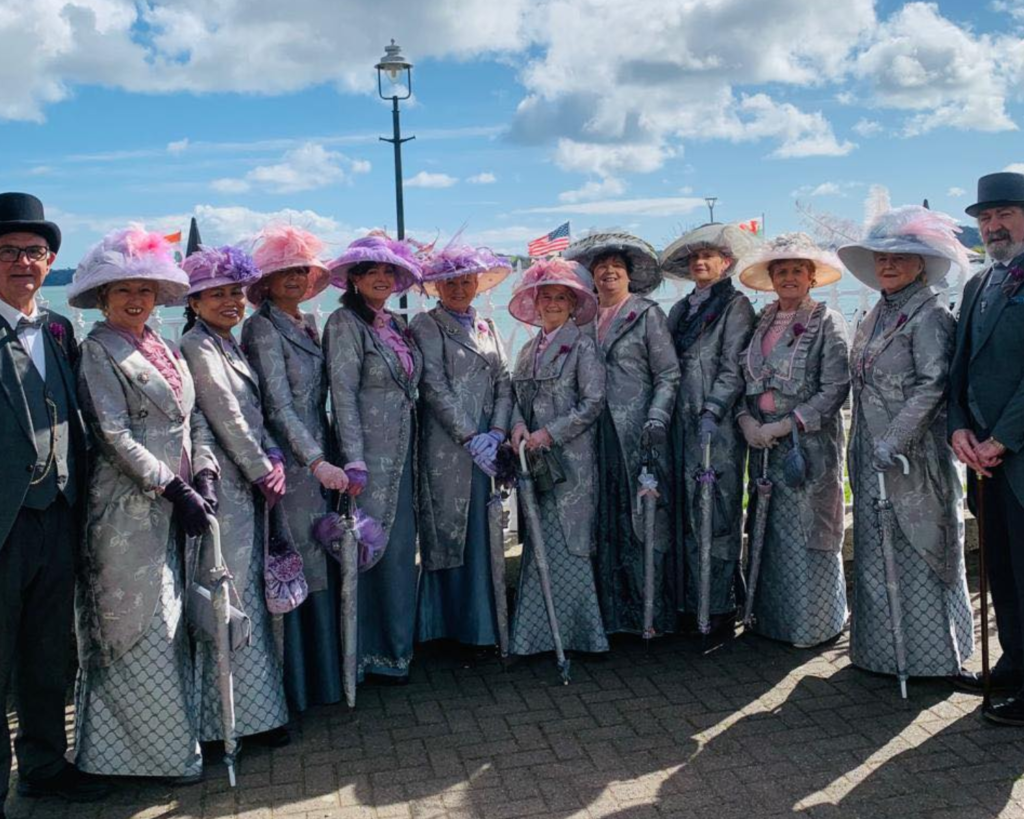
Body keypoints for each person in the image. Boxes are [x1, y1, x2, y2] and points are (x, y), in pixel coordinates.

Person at [71, 227, 216, 782]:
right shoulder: (97, 350)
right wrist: (170, 485)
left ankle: (175, 745)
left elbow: (193, 417)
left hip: (174, 510)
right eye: (123, 290)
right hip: (125, 513)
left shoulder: (169, 348)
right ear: (103, 298)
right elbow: (111, 433)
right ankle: (125, 756)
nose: (136, 300)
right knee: (138, 624)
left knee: (174, 620)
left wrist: (204, 470)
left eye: (146, 290)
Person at [0, 193, 107, 815]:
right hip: (2, 526)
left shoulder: (63, 329)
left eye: (34, 251)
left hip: (59, 515)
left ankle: (43, 766)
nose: (22, 262)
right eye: (8, 251)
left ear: (51, 260)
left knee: (49, 655)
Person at [838, 204, 974, 685]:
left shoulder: (931, 314)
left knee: (923, 546)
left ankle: (935, 659)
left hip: (913, 458)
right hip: (868, 452)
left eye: (900, 258)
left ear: (921, 264)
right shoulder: (875, 312)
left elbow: (933, 385)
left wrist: (895, 439)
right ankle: (878, 652)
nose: (888, 266)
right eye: (881, 259)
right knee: (877, 550)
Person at [179, 245, 290, 747]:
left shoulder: (227, 343)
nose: (229, 302)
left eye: (234, 293)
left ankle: (256, 713)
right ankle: (224, 722)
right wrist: (261, 467)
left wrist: (271, 454)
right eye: (215, 295)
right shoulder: (197, 346)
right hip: (224, 485)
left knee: (246, 593)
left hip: (248, 487)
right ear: (194, 302)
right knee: (230, 597)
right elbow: (223, 414)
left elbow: (255, 412)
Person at [241, 225, 347, 712]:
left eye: (300, 269)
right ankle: (300, 682)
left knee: (321, 552)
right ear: (265, 280)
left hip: (318, 454)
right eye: (282, 270)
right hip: (292, 459)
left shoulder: (305, 323)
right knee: (299, 557)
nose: (293, 278)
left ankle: (329, 672)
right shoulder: (262, 327)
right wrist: (315, 459)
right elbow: (278, 406)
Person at [735, 233, 850, 648]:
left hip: (809, 444)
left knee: (809, 531)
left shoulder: (827, 320)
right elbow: (744, 381)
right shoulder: (761, 320)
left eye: (796, 270)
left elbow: (835, 387)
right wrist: (748, 421)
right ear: (771, 278)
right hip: (762, 444)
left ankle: (812, 625)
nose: (788, 277)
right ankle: (768, 620)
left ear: (811, 277)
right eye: (780, 271)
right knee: (770, 531)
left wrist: (786, 425)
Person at [563, 232, 680, 637]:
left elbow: (667, 373)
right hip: (590, 434)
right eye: (600, 268)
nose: (608, 272)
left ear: (629, 275)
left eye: (616, 266)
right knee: (601, 518)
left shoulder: (647, 315)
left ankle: (647, 614)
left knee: (640, 520)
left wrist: (657, 417)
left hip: (636, 433)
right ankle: (607, 616)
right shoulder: (581, 319)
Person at [323, 234, 424, 683]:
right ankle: (367, 654)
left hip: (404, 452)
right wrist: (353, 459)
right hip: (369, 457)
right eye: (371, 272)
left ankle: (397, 647)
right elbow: (342, 394)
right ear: (355, 279)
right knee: (369, 547)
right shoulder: (344, 324)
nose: (382, 278)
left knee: (400, 550)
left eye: (389, 272)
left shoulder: (392, 324)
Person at [948, 171, 1024, 724]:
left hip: (1015, 451)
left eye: (1004, 215)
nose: (993, 227)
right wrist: (959, 429)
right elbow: (960, 367)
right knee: (1001, 569)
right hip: (985, 461)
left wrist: (1003, 437)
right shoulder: (978, 283)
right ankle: (1017, 665)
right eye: (985, 218)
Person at [411, 244, 514, 650]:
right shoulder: (426, 325)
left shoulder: (487, 325)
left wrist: (498, 433)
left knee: (485, 531)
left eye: (466, 279)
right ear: (437, 285)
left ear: (477, 283)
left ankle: (486, 622)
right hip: (448, 448)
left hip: (490, 444)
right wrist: (471, 437)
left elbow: (505, 381)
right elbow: (432, 385)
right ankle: (449, 624)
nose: (459, 287)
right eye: (450, 280)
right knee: (451, 529)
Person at [508, 259, 609, 657]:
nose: (551, 304)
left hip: (571, 462)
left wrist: (550, 433)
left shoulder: (583, 345)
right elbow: (515, 398)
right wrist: (518, 427)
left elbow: (594, 402)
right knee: (539, 541)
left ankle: (579, 633)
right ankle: (536, 635)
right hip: (531, 461)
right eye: (545, 296)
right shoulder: (528, 349)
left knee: (569, 541)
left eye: (560, 298)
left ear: (572, 304)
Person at [662, 223, 759, 635]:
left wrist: (713, 408)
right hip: (680, 423)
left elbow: (734, 365)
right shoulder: (680, 311)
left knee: (717, 508)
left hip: (715, 426)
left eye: (709, 256)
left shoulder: (736, 306)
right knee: (687, 508)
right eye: (694, 257)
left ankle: (719, 603)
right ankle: (691, 598)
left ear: (727, 263)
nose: (700, 262)